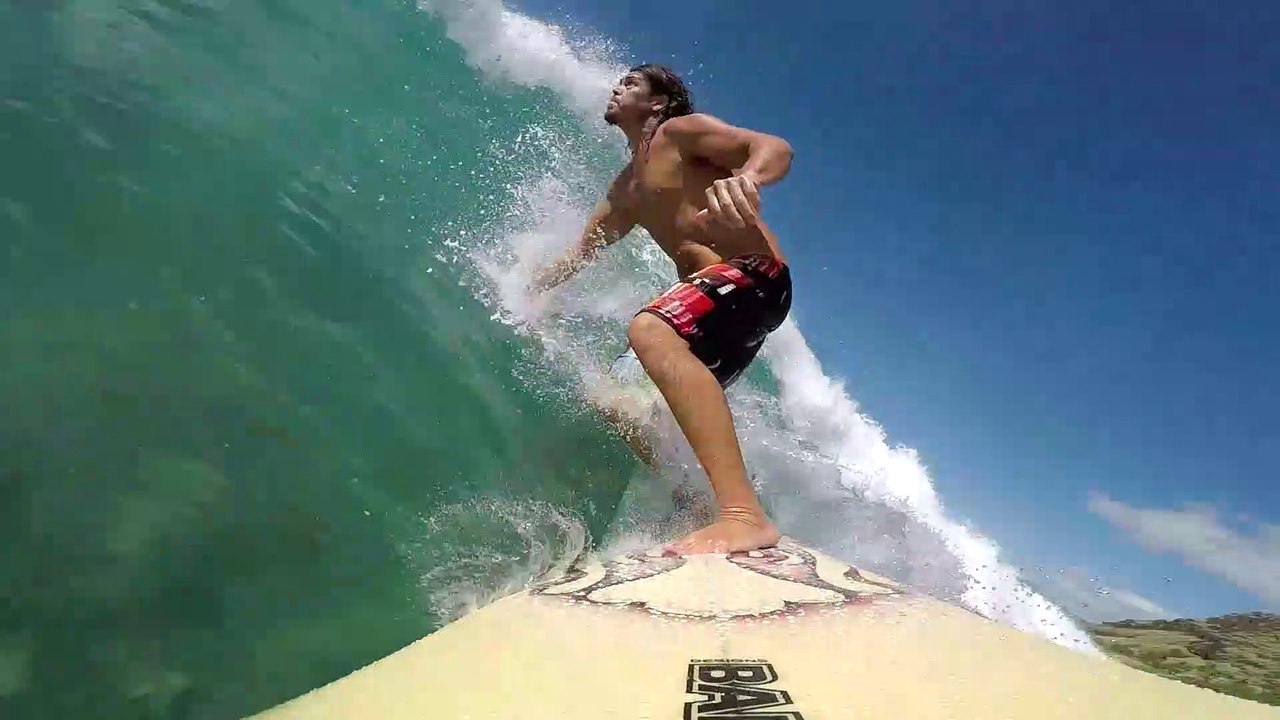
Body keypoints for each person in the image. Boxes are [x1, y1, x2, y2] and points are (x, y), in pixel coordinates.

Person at [531, 64, 794, 555]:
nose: (616, 87)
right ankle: (696, 500)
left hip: (756, 277)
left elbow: (773, 147)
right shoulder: (626, 191)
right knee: (614, 402)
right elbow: (581, 251)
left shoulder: (679, 134)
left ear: (657, 103)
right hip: (715, 313)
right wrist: (527, 288)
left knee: (650, 331)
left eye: (631, 84)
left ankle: (744, 516)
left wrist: (750, 180)